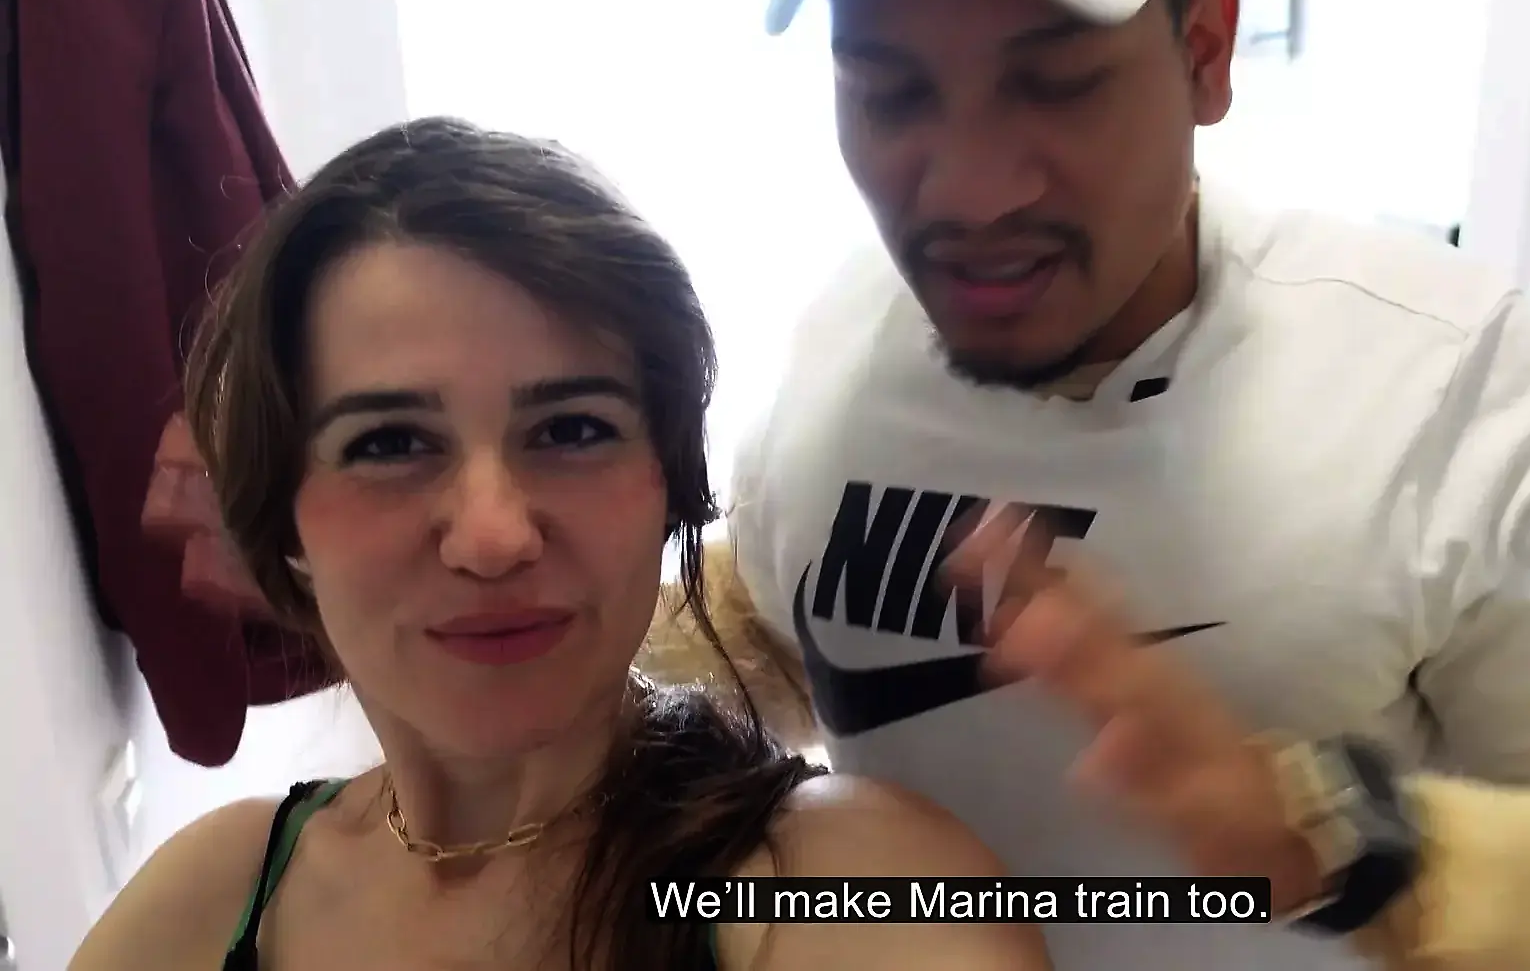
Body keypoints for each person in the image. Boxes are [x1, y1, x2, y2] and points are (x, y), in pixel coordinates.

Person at [665, 0, 1530, 968]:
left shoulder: (1427, 385)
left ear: (1207, 53)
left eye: (1057, 85)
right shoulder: (847, 339)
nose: (969, 190)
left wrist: (1348, 842)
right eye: (891, 93)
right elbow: (770, 622)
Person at [69, 117, 1053, 971]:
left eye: (573, 430)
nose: (494, 538)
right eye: (390, 444)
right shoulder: (209, 900)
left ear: (670, 487)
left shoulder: (853, 901)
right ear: (283, 522)